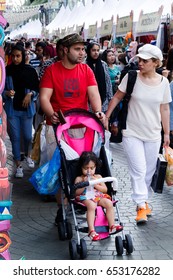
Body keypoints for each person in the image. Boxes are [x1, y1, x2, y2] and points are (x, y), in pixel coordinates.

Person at [39, 33, 105, 224]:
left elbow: (94, 94)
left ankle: (79, 201)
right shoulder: (52, 71)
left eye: (83, 49)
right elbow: (44, 97)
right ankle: (62, 208)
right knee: (61, 170)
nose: (82, 53)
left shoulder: (86, 71)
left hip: (82, 128)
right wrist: (51, 113)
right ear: (66, 50)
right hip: (58, 128)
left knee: (80, 168)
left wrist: (98, 112)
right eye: (78, 49)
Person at [105, 44, 171, 224]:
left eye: (145, 60)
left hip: (154, 133)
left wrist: (166, 134)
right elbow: (117, 96)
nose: (140, 63)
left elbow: (164, 108)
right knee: (138, 169)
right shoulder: (131, 76)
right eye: (139, 59)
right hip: (131, 131)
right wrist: (107, 116)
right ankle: (141, 205)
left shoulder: (164, 82)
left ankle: (145, 201)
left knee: (149, 171)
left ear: (156, 63)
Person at [3, 44, 39, 178]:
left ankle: (28, 155)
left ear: (23, 56)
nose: (16, 59)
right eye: (13, 56)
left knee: (28, 136)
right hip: (12, 110)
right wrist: (6, 92)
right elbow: (1, 90)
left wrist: (30, 95)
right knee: (15, 138)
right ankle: (18, 165)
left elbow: (37, 88)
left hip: (27, 110)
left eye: (18, 56)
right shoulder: (6, 70)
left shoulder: (30, 71)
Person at [74, 151, 123, 241]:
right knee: (92, 205)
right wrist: (84, 184)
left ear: (95, 167)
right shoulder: (79, 178)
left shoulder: (98, 177)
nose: (89, 171)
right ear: (81, 168)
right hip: (85, 198)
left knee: (108, 203)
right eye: (86, 168)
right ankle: (91, 230)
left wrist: (95, 183)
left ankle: (112, 225)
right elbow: (76, 192)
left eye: (92, 168)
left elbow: (105, 190)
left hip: (97, 196)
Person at [86, 41, 113, 113]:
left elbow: (108, 81)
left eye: (98, 50)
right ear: (89, 51)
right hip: (88, 103)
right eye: (93, 50)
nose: (96, 53)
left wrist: (110, 98)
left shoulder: (103, 64)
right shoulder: (84, 65)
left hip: (103, 101)